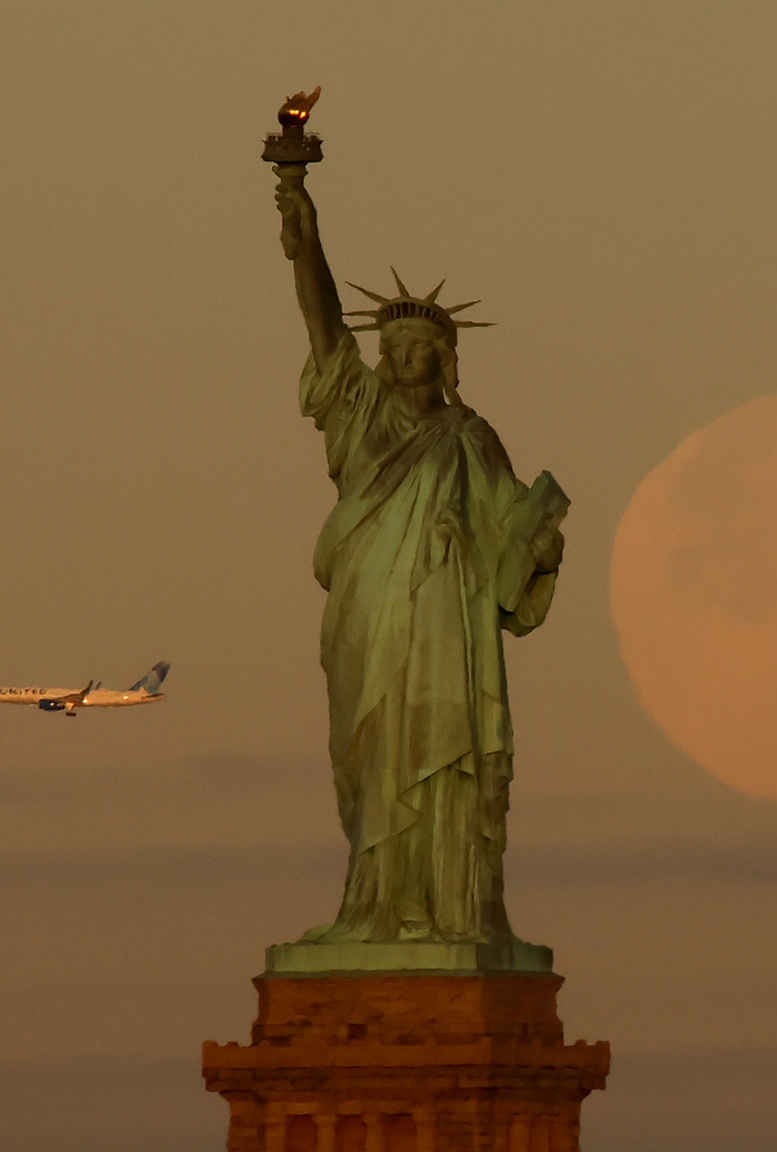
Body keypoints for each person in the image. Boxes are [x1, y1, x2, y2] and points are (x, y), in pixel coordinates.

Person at [272, 163, 566, 946]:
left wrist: (540, 543)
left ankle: (447, 907)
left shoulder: (472, 440)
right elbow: (325, 328)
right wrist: (307, 241)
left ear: (444, 360)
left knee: (442, 762)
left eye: (420, 348)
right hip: (370, 611)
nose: (404, 358)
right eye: (394, 346)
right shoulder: (359, 412)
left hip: (445, 624)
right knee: (372, 759)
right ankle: (374, 904)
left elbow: (512, 539)